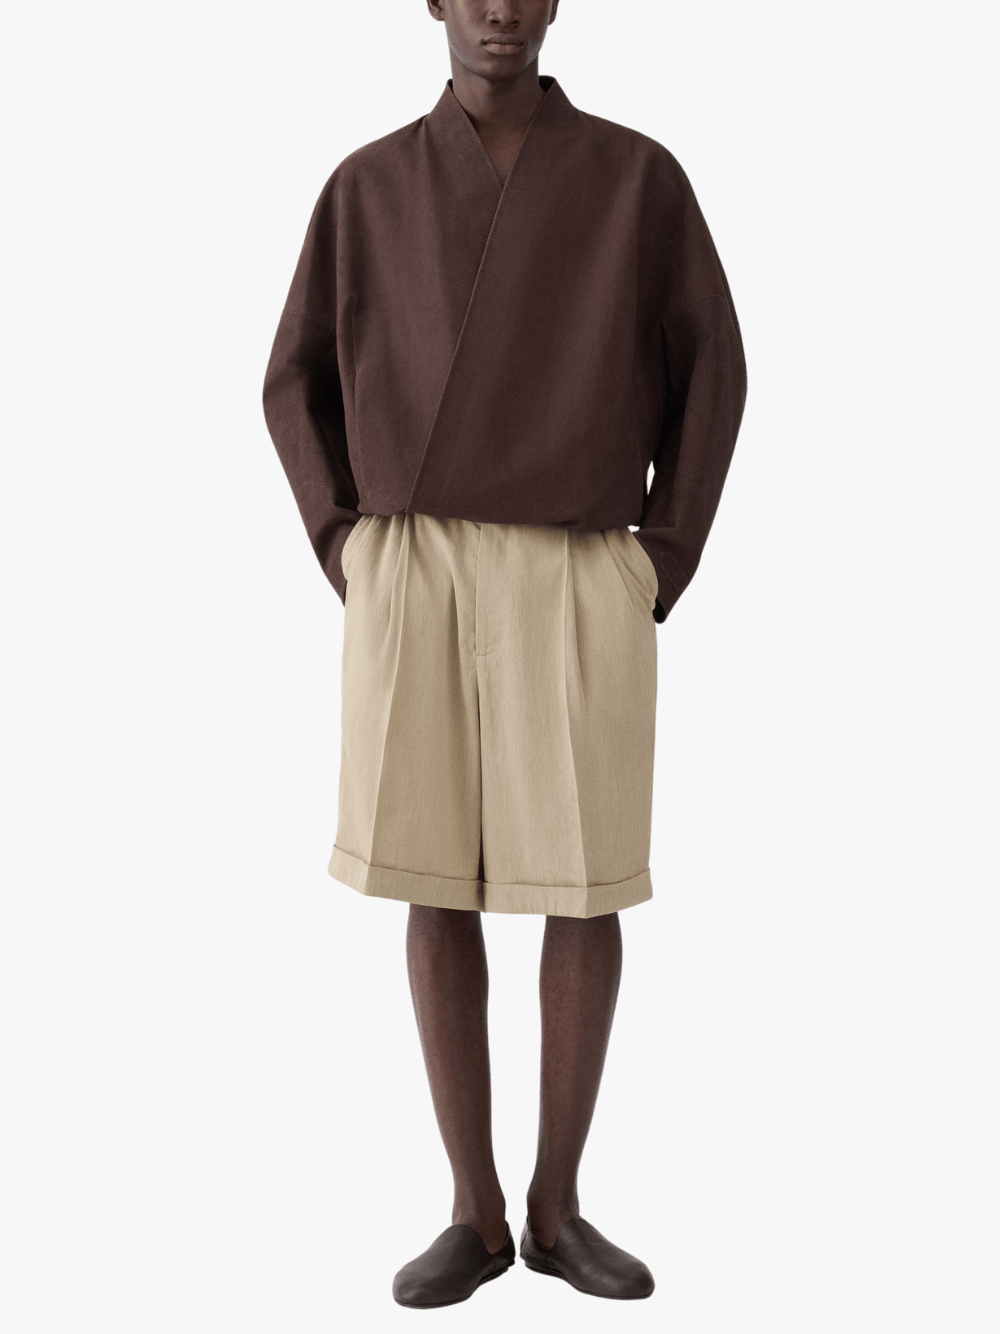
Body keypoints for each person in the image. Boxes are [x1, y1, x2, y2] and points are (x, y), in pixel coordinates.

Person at [262, 0, 746, 1309]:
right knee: (435, 876)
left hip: (581, 557)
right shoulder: (368, 185)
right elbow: (291, 378)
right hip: (411, 558)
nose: (500, 10)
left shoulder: (637, 178)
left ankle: (558, 1203)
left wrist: (664, 555)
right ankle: (472, 1209)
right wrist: (346, 545)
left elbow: (715, 367)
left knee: (586, 885)